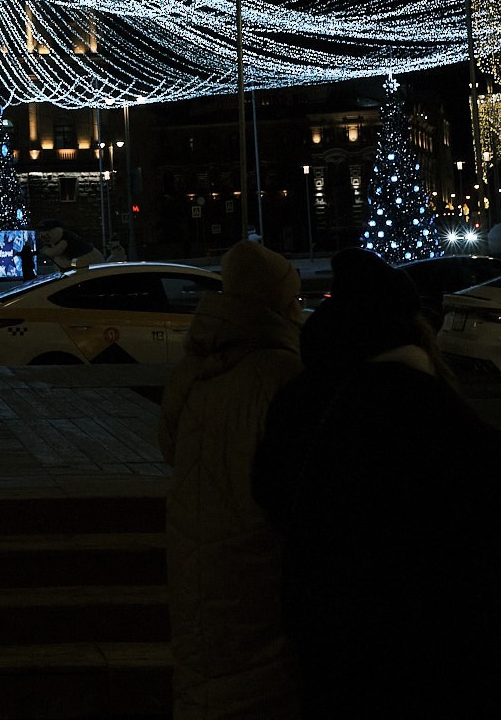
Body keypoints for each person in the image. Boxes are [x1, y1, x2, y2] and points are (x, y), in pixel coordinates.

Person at [254, 249, 501, 720]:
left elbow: (271, 491)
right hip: (440, 644)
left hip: (336, 639)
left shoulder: (304, 398)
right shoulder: (420, 403)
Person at [159, 240, 307, 720]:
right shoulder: (283, 373)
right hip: (259, 557)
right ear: (275, 305)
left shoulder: (195, 368)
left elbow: (169, 445)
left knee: (207, 677)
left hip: (196, 548)